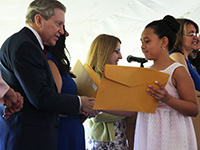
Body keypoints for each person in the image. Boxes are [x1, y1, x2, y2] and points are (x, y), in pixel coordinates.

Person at [0, 0, 95, 150]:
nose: (62, 31)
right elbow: (41, 97)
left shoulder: (25, 43)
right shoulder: (26, 46)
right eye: (58, 24)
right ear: (38, 20)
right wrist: (80, 103)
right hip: (27, 138)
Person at [105, 15, 199, 150]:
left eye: (147, 41)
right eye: (141, 42)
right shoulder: (145, 73)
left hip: (173, 135)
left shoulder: (177, 70)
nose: (142, 46)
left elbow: (194, 109)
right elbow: (133, 109)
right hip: (148, 134)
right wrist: (101, 106)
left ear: (163, 42)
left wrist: (168, 99)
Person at [84, 34, 129, 150]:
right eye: (117, 51)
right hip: (102, 142)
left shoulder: (112, 77)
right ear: (105, 51)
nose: (121, 56)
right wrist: (128, 110)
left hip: (118, 139)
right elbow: (95, 114)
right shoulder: (91, 78)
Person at [45, 26, 86, 150]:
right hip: (63, 132)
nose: (66, 34)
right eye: (62, 28)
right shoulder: (50, 62)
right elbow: (54, 104)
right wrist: (81, 106)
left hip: (72, 128)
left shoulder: (57, 62)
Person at [169, 18, 200, 150]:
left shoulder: (188, 60)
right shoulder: (176, 56)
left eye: (196, 33)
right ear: (178, 36)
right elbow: (186, 91)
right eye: (191, 34)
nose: (196, 38)